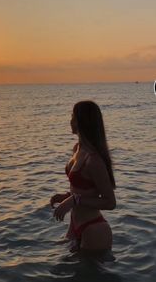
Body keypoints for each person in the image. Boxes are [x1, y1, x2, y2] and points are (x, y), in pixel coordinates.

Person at [50, 100, 116, 252]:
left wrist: (74, 200)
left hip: (93, 228)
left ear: (81, 121)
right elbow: (84, 189)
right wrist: (66, 196)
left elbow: (110, 202)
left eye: (73, 116)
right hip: (75, 224)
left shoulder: (94, 160)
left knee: (90, 275)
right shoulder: (77, 149)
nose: (70, 120)